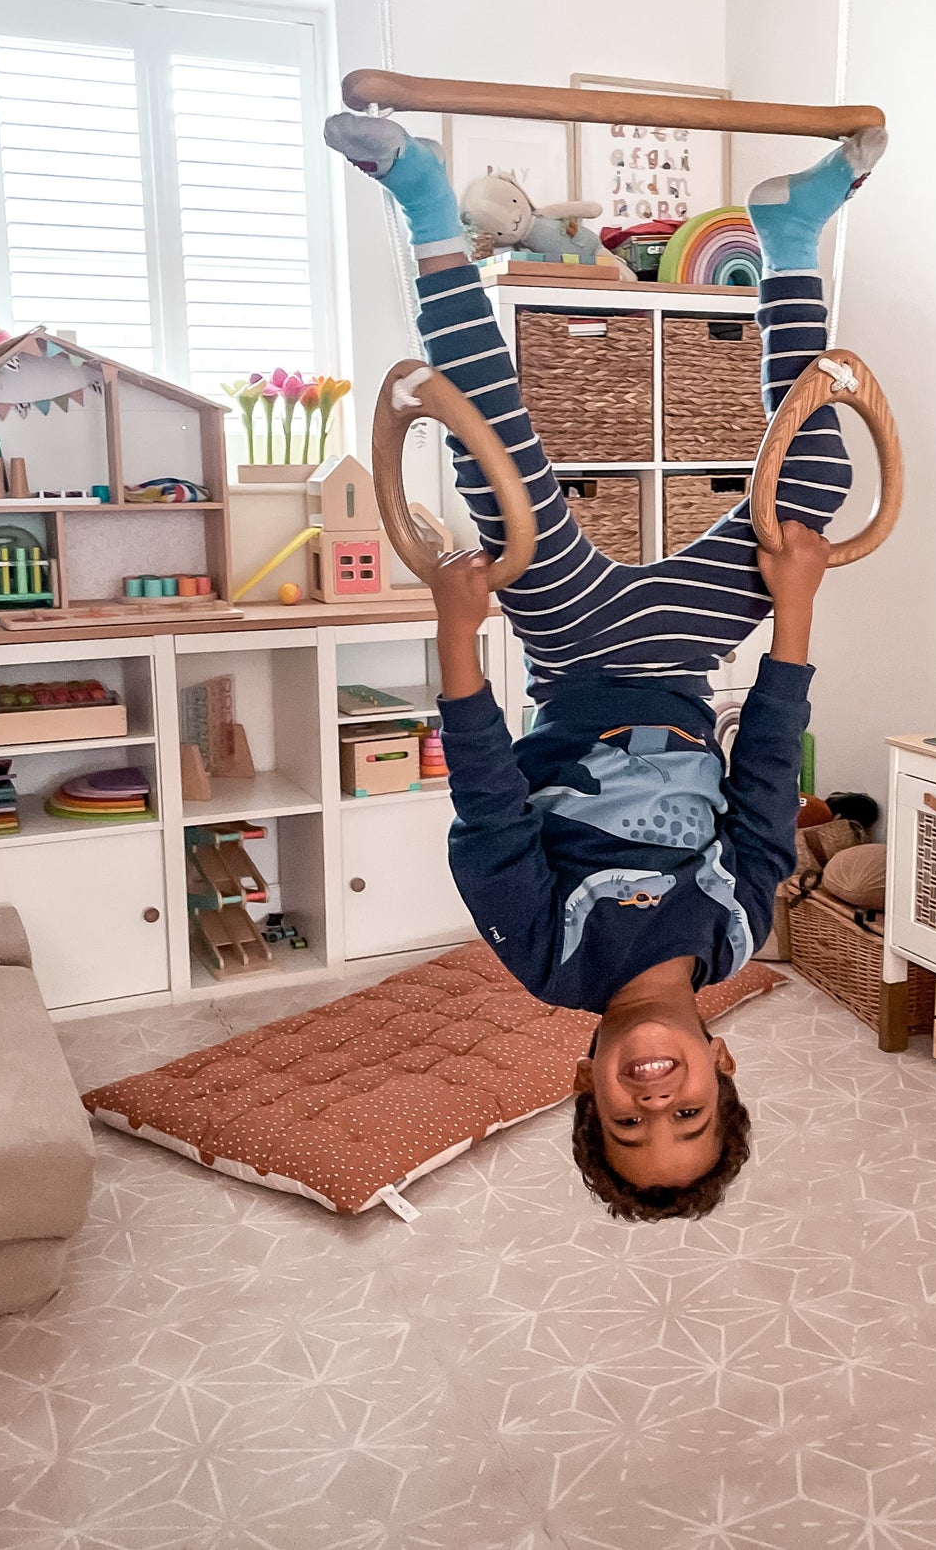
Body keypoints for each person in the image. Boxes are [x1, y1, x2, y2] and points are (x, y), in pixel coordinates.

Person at [324, 112, 884, 1219]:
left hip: (573, 647)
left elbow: (486, 799)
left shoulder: (548, 954)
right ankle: (786, 242)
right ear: (723, 1071)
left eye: (627, 1121)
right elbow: (765, 777)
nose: (653, 1097)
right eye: (686, 1115)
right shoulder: (728, 931)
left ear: (583, 1082)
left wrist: (455, 629)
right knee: (811, 491)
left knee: (501, 477)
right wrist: (794, 614)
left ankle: (429, 212)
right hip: (688, 650)